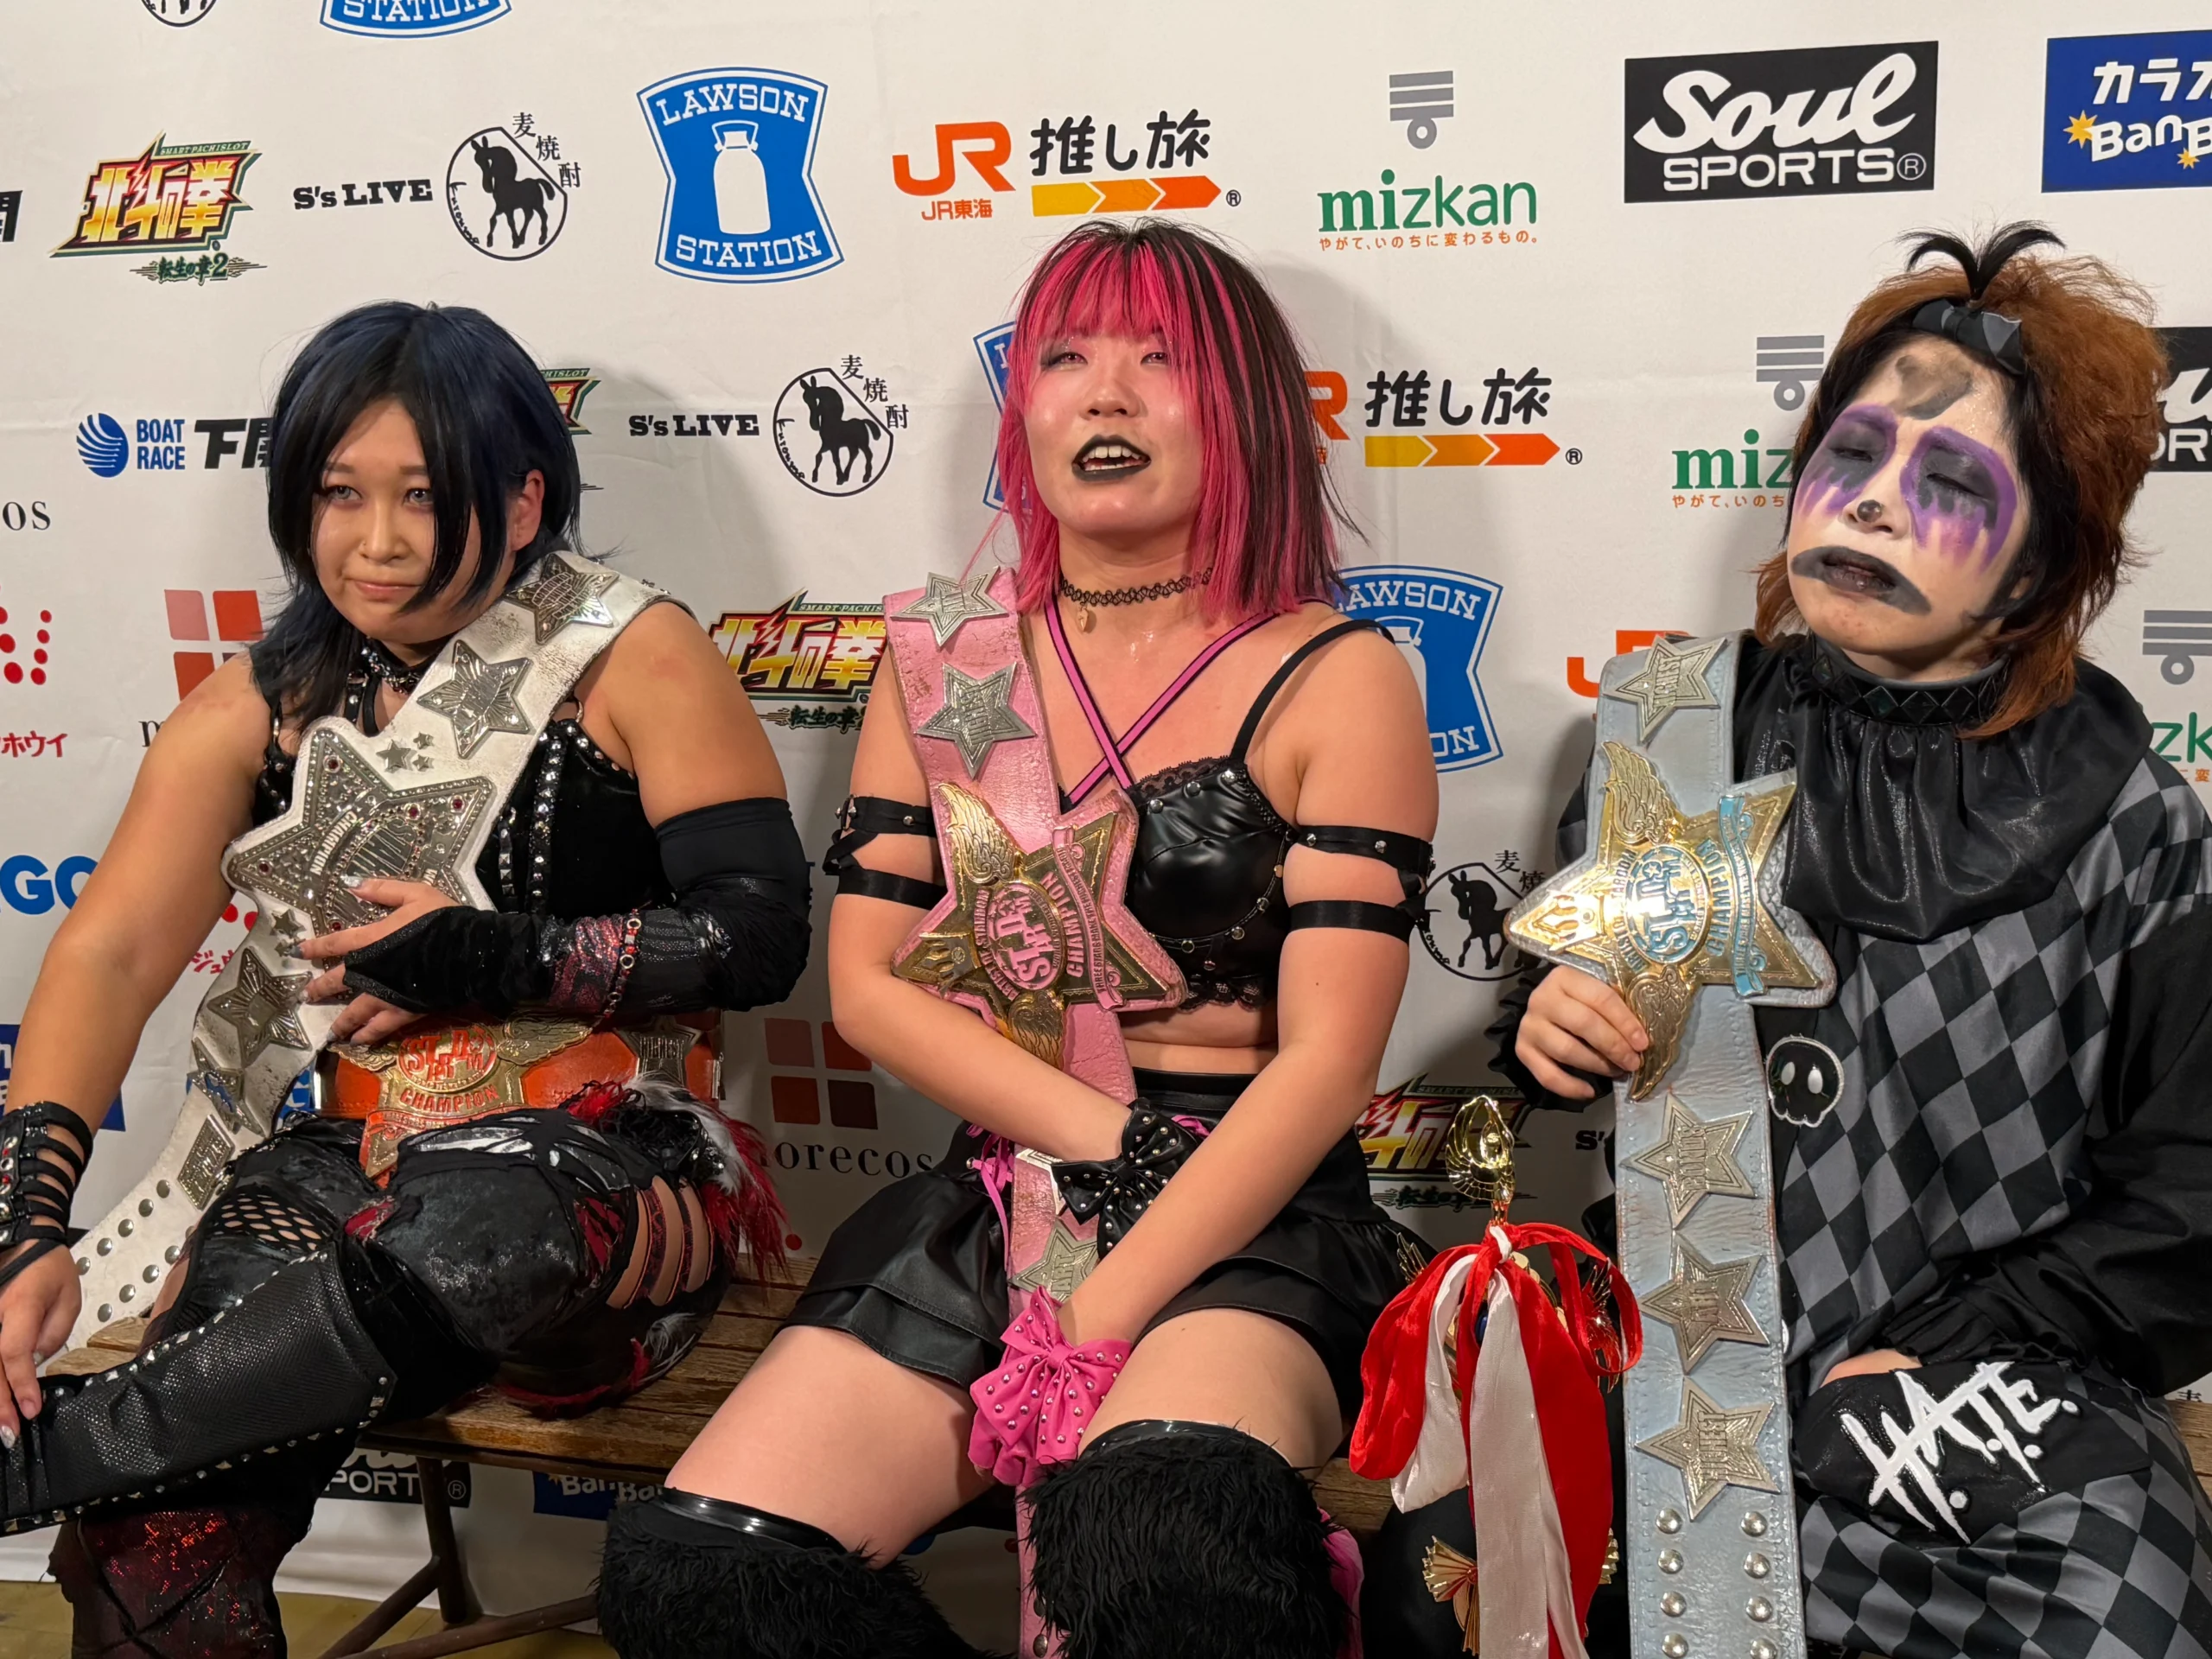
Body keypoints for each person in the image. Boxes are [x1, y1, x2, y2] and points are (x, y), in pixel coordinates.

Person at [597, 219, 1440, 1659]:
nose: (1104, 394)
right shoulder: (940, 660)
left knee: (1162, 1532)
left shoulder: (1336, 674)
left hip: (1253, 1207)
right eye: (1065, 358)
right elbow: (867, 992)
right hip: (1005, 1188)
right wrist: (1106, 1152)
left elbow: (1328, 1064)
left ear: (1241, 408)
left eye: (1159, 359)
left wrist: (1098, 1311)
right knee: (698, 1574)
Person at [0, 301, 809, 1656]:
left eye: (425, 496)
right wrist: (29, 1229)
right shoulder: (269, 698)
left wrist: (491, 956)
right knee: (160, 1531)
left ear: (525, 497)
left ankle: (60, 1459)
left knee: (473, 1230)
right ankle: (108, 1465)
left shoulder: (632, 653)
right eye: (341, 494)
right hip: (356, 1157)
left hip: (609, 1170)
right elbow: (112, 950)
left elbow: (763, 933)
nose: (377, 542)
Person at [1465, 225, 2211, 1659]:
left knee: (2128, 1606)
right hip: (1678, 1353)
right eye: (1852, 455)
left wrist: (1966, 1338)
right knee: (1456, 1567)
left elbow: (2191, 1196)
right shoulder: (1670, 733)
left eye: (1949, 486)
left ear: (2042, 563)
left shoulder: (2136, 817)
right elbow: (1570, 1021)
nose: (1871, 502)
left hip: (1994, 1363)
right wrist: (1550, 1023)